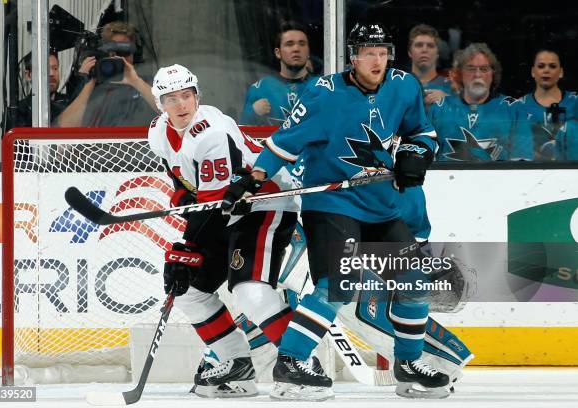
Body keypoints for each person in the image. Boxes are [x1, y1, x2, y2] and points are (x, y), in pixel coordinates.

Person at [222, 22, 450, 400]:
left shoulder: (404, 85)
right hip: (332, 205)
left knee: (414, 283)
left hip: (380, 205)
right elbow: (282, 144)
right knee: (338, 287)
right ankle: (292, 360)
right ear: (353, 57)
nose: (377, 61)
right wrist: (252, 179)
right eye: (368, 53)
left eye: (382, 53)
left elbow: (421, 132)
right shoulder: (323, 94)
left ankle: (408, 364)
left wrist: (416, 154)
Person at [148, 64, 300, 397]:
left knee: (250, 291)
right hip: (224, 211)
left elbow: (212, 207)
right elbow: (184, 184)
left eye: (187, 96)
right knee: (188, 289)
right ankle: (237, 365)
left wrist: (187, 247)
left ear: (197, 95)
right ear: (160, 104)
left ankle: (300, 365)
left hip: (265, 202)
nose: (181, 105)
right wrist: (181, 209)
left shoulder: (211, 132)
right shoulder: (158, 131)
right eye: (171, 99)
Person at [429, 43, 533, 161]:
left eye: (484, 69)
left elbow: (522, 164)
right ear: (460, 73)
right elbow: (426, 158)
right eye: (471, 69)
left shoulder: (513, 109)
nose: (477, 75)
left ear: (493, 74)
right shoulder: (439, 108)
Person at [57, 21, 156, 127]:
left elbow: (168, 111)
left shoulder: (146, 83)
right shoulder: (91, 87)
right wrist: (89, 81)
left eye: (125, 51)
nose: (120, 58)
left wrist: (135, 81)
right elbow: (66, 128)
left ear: (134, 54)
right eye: (114, 52)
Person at [239, 21, 313, 126]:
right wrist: (253, 112)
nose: (296, 49)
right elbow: (242, 132)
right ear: (278, 53)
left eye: (302, 44)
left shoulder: (321, 88)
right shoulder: (260, 89)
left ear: (308, 51)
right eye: (289, 44)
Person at [517, 47, 578, 160]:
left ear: (561, 72)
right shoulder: (518, 107)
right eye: (541, 66)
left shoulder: (576, 102)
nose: (546, 70)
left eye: (552, 66)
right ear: (533, 72)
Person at [2, 51, 70, 131]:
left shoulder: (70, 103)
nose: (52, 74)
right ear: (28, 75)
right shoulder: (17, 112)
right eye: (45, 69)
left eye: (55, 68)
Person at [407, 24, 452, 107]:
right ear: (410, 52)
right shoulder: (397, 85)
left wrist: (448, 101)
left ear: (437, 53)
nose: (424, 50)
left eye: (430, 46)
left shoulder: (452, 87)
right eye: (419, 45)